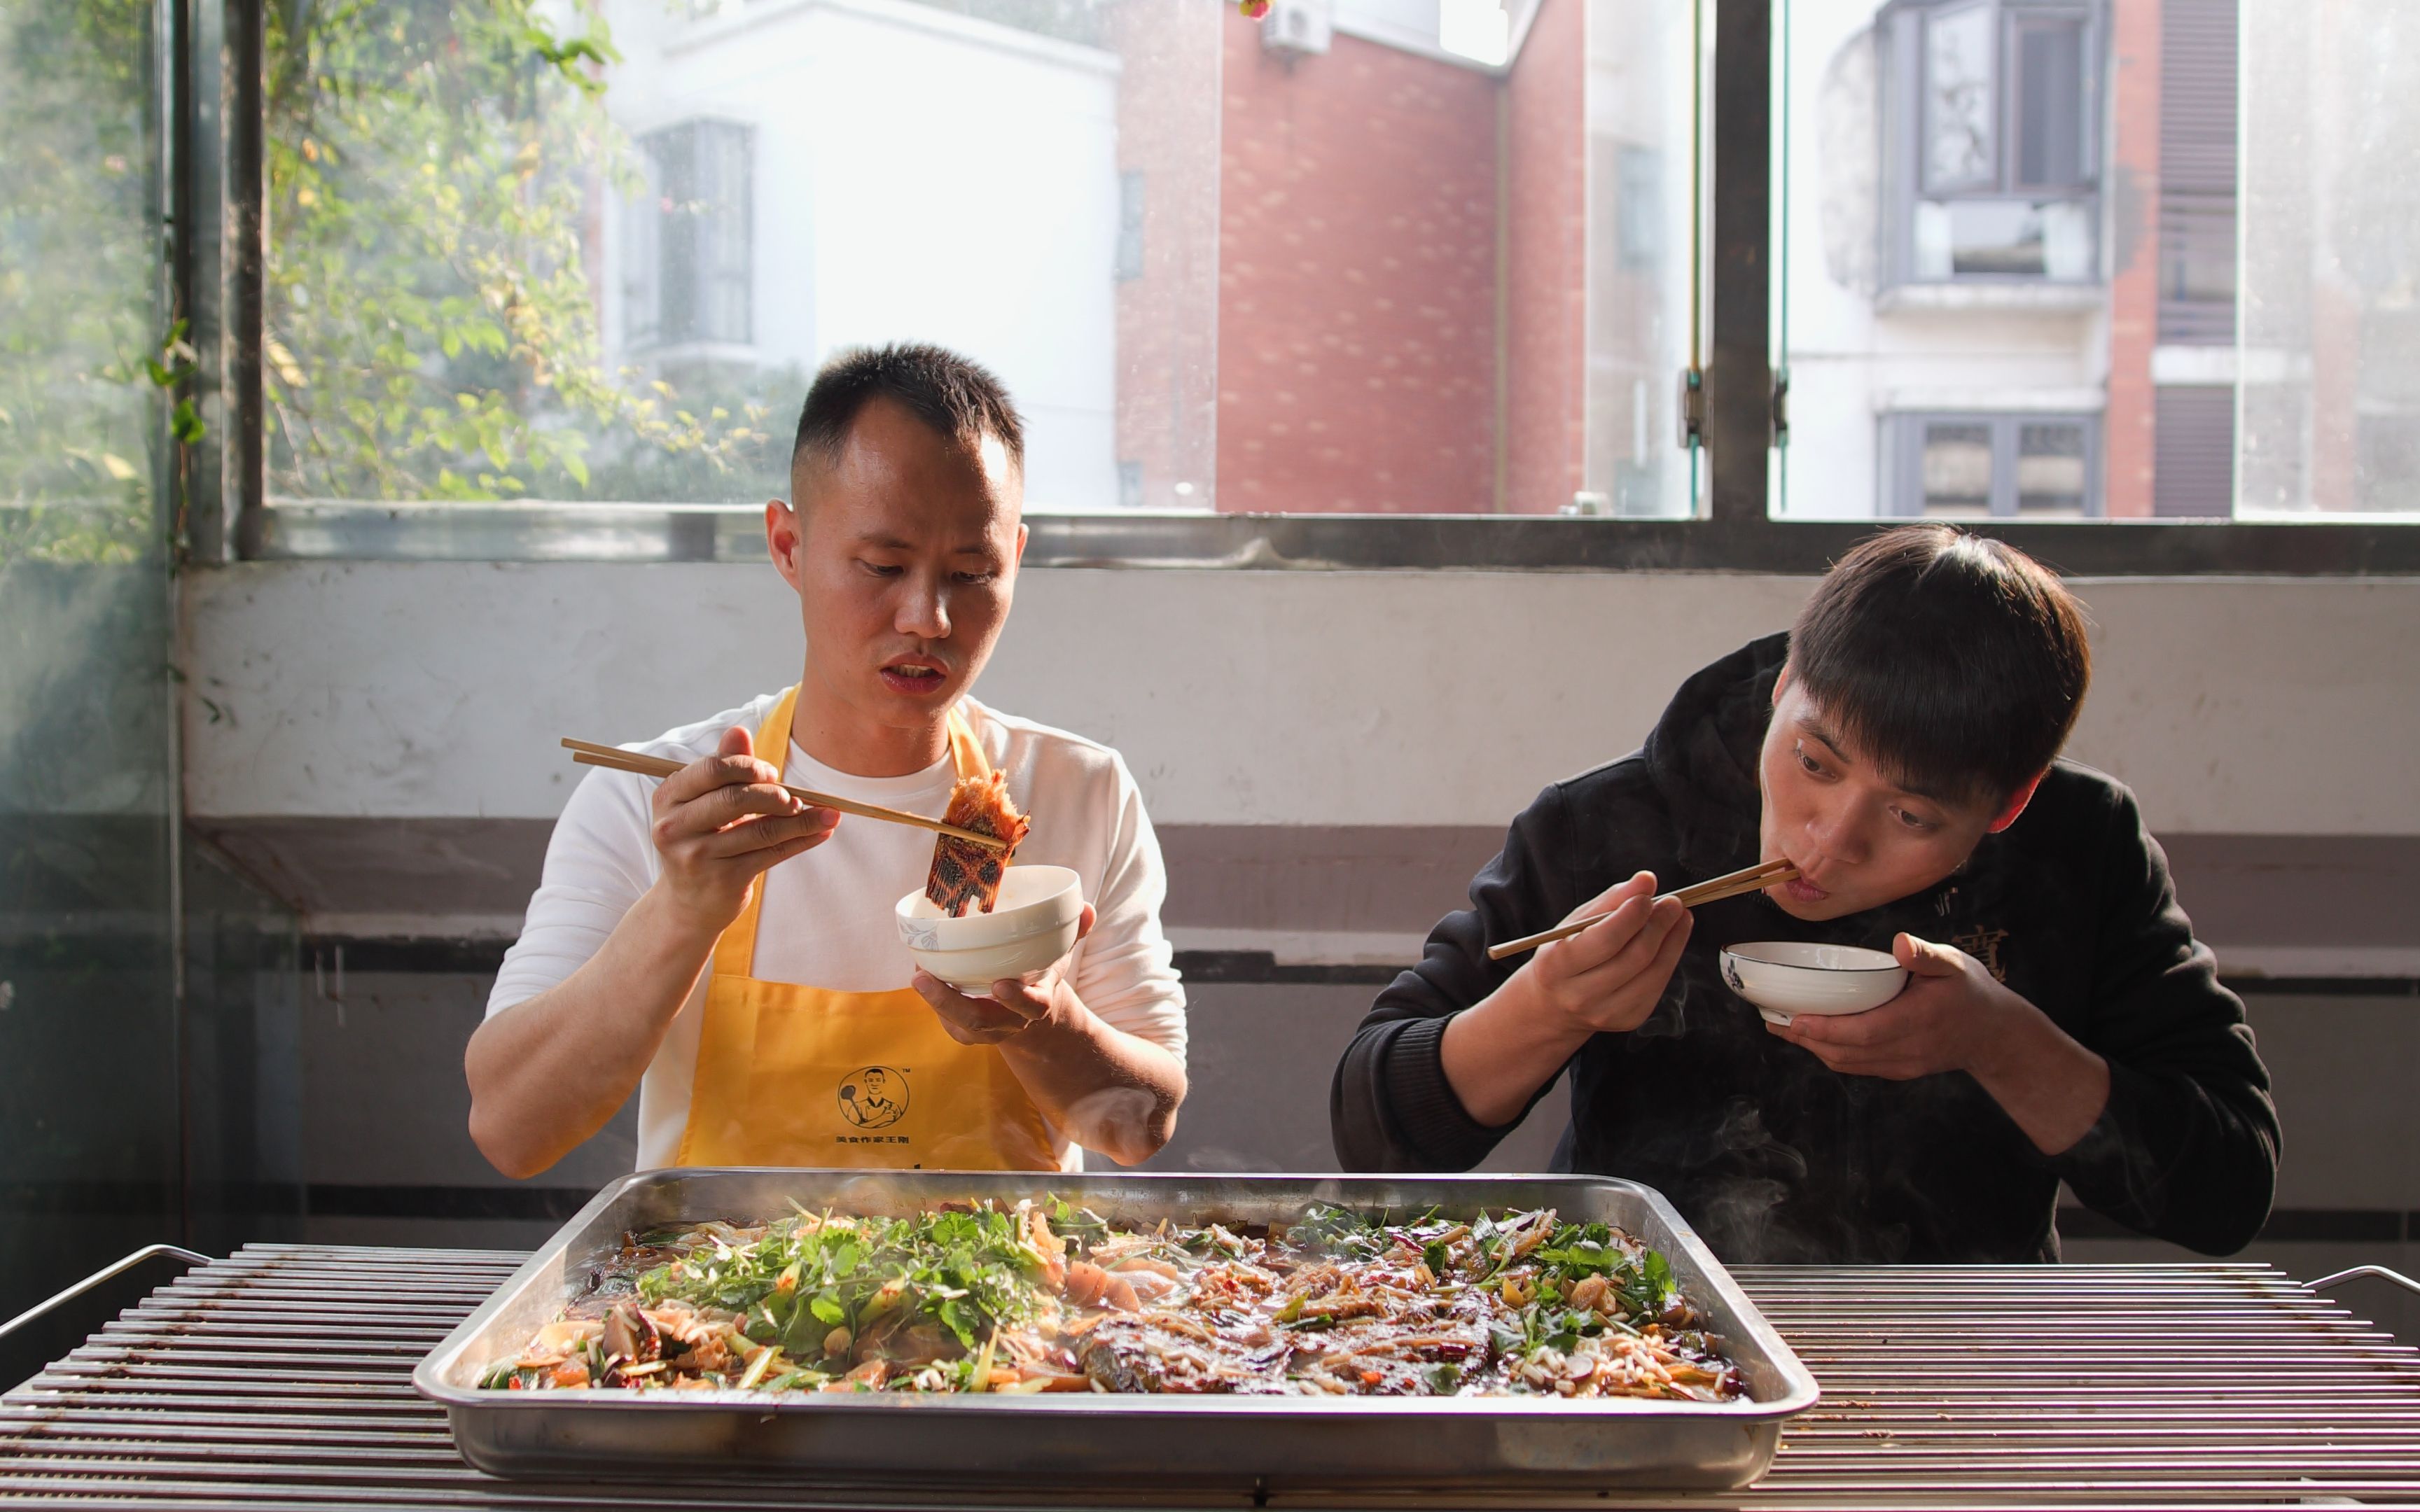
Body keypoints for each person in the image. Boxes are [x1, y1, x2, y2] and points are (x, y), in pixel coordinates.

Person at [1331, 525, 2278, 1263]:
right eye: (1813, 761)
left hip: (1965, 1347)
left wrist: (2000, 1041)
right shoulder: (1609, 828)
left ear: (2008, 804)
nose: (1829, 840)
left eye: (1910, 818)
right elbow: (1373, 1138)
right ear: (1787, 681)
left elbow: (2227, 1190)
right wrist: (1546, 1004)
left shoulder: (2080, 847)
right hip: (1631, 1329)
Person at [468, 344, 1187, 1177]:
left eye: (971, 573)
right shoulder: (655, 800)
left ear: (1015, 561)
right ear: (787, 545)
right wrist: (685, 909)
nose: (928, 618)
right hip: (722, 1300)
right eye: (883, 567)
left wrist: (1045, 1020)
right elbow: (512, 1131)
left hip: (1005, 1297)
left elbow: (1141, 1128)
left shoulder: (1077, 791)